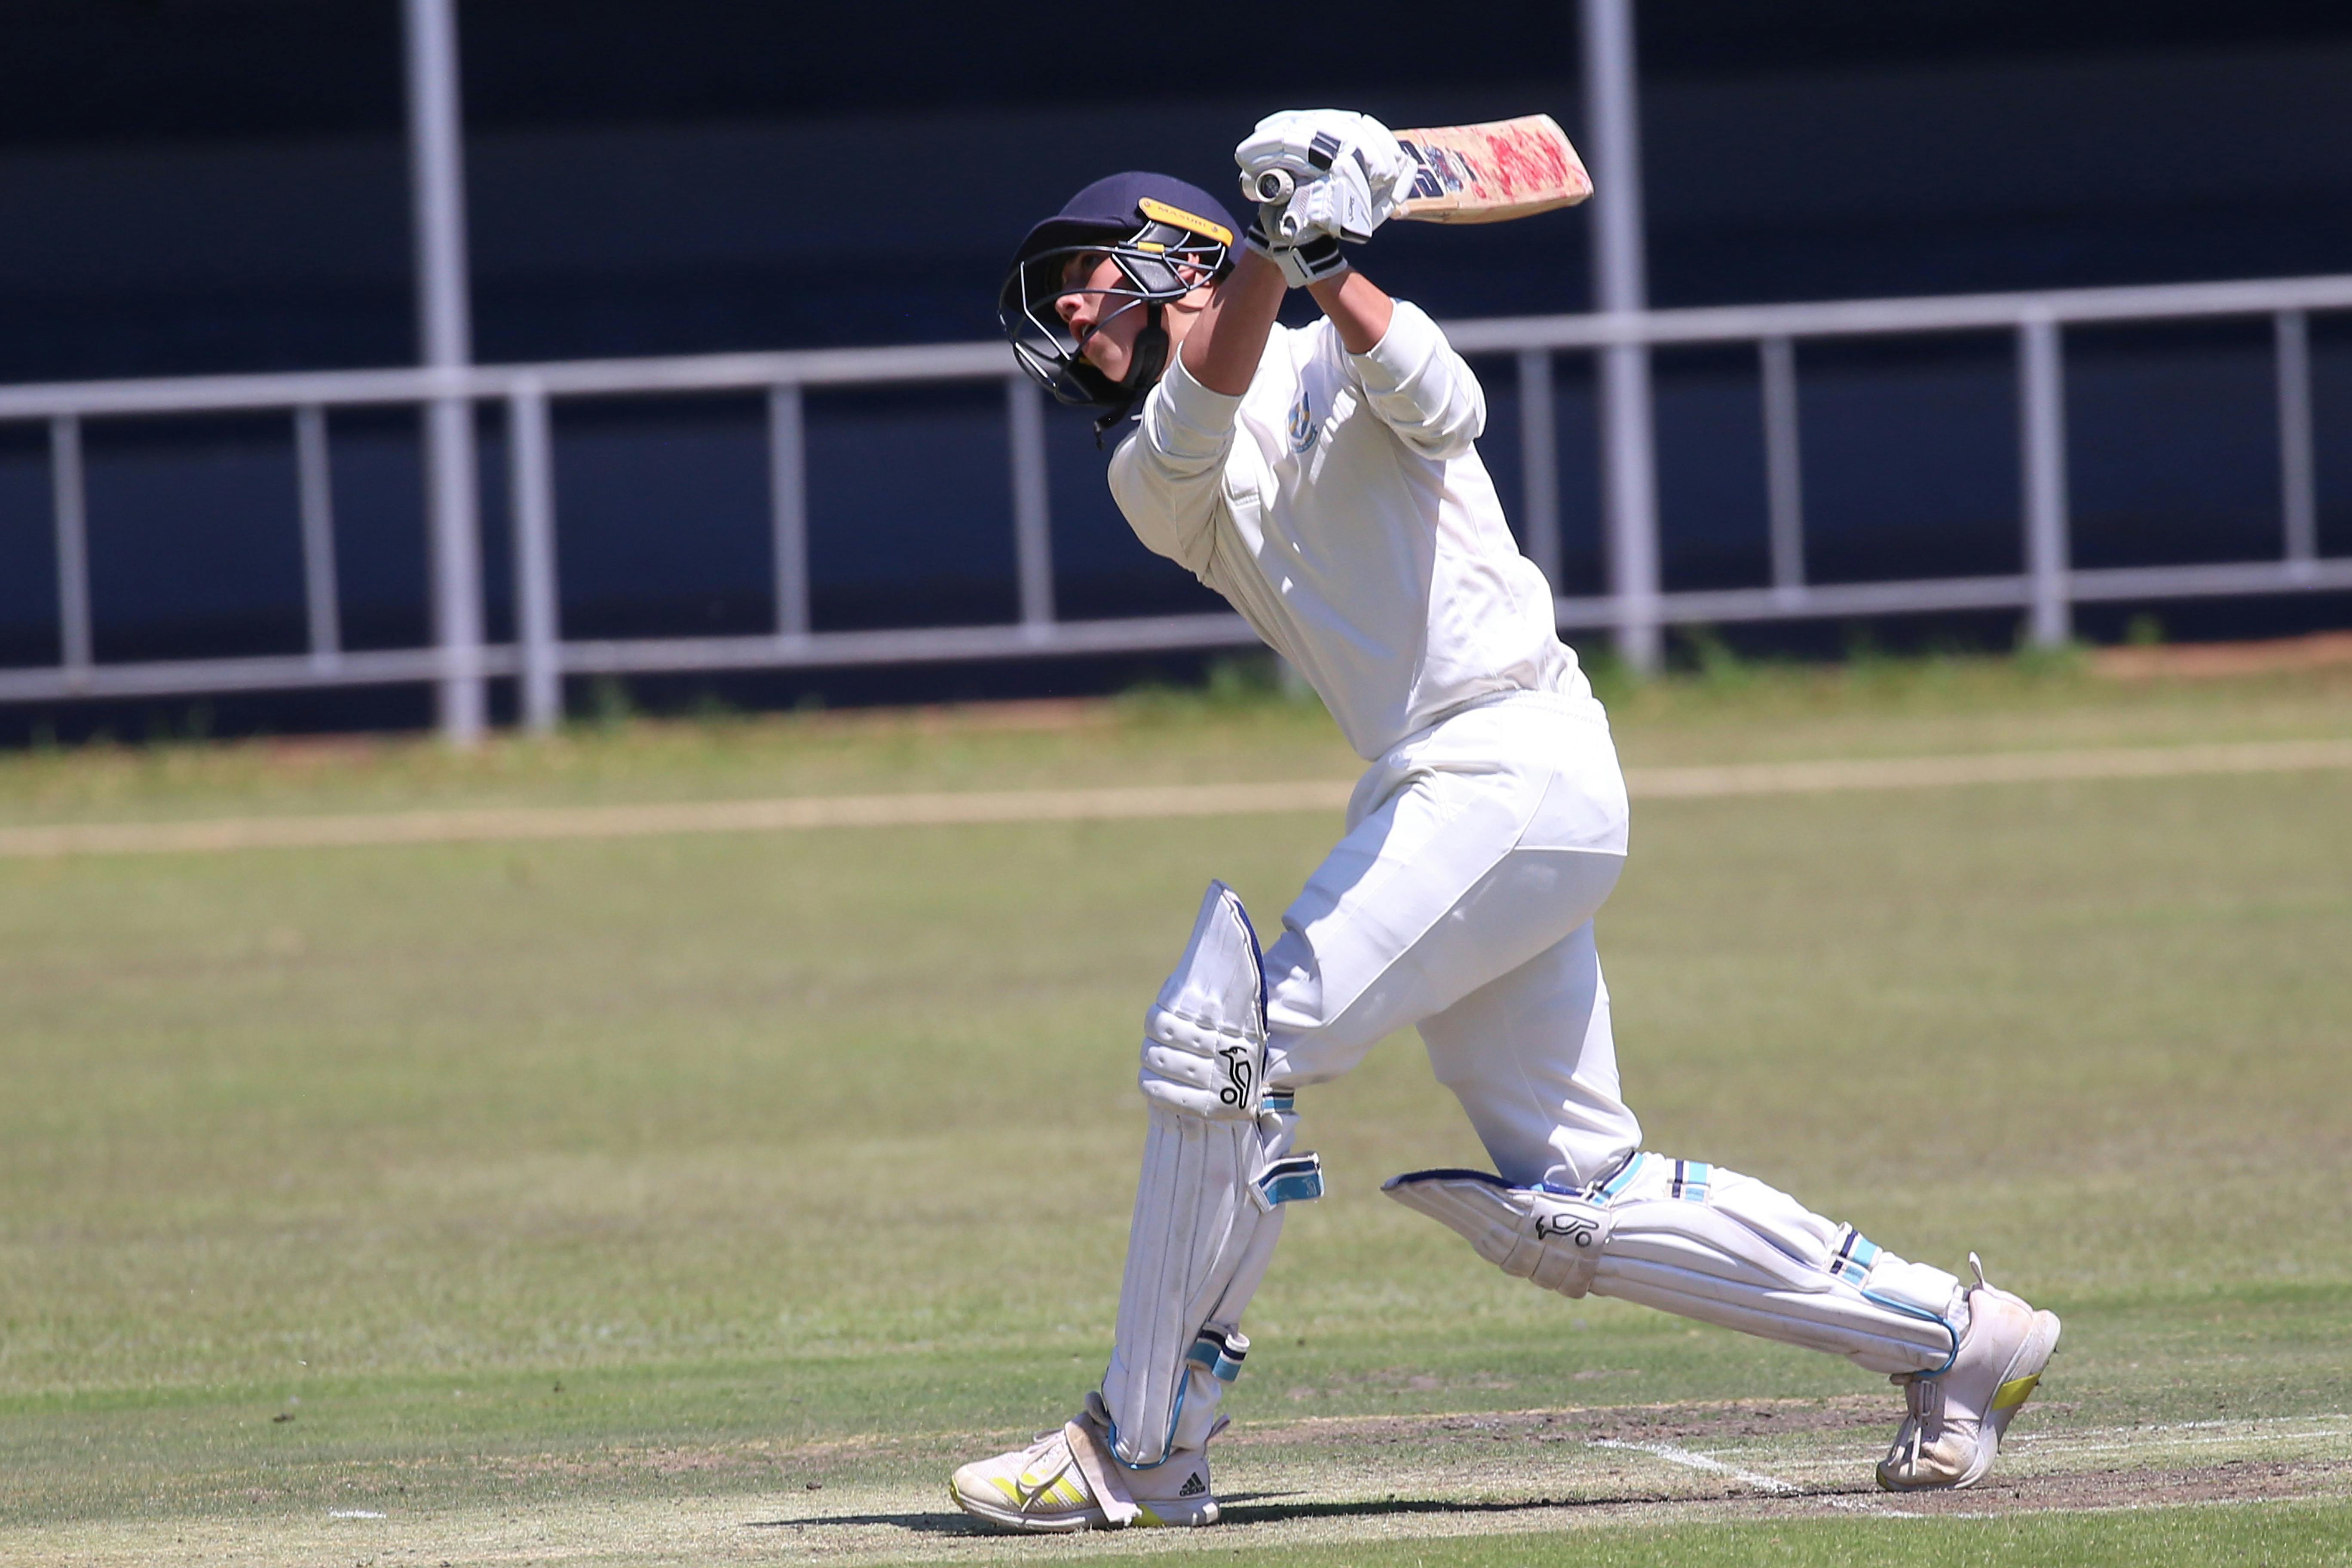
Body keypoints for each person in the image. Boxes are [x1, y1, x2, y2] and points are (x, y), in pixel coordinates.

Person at [953, 109, 2059, 1534]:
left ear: (1167, 257)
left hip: (1512, 755)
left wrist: (1331, 262)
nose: (1067, 318)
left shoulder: (1332, 341)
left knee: (1235, 1048)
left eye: (1084, 282)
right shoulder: (1158, 469)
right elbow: (1221, 370)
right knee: (1575, 1194)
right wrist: (1291, 252)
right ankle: (1959, 1340)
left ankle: (1136, 1448)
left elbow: (1448, 406)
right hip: (1458, 790)